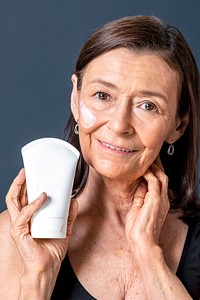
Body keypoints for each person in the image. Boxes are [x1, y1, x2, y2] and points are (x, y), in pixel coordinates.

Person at [0, 15, 200, 300]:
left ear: (178, 125)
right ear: (76, 99)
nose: (119, 125)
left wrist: (150, 258)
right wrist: (39, 277)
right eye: (103, 95)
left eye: (147, 105)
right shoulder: (14, 236)